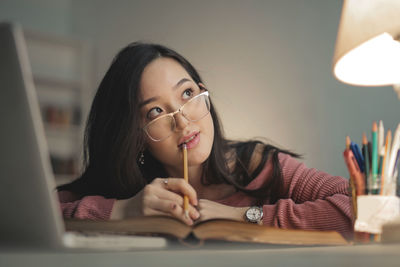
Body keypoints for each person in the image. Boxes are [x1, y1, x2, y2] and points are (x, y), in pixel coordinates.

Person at [57, 42, 353, 239]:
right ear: (134, 134)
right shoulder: (128, 190)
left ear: (202, 92)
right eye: (155, 111)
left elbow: (359, 207)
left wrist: (241, 216)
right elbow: (26, 216)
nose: (182, 122)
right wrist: (124, 211)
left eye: (187, 94)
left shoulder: (257, 165)